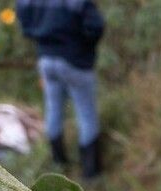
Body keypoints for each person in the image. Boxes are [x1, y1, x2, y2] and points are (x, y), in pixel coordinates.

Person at [16, 0, 104, 178]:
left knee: (53, 109)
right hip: (75, 60)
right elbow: (96, 26)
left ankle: (59, 163)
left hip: (46, 59)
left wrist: (43, 37)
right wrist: (82, 46)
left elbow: (24, 23)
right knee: (86, 114)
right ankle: (91, 173)